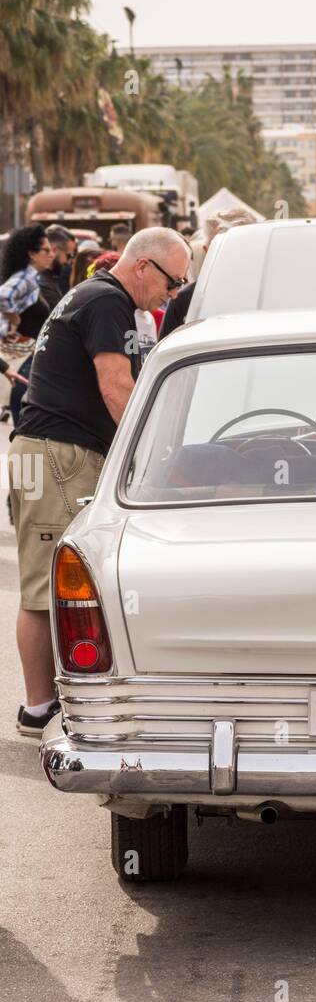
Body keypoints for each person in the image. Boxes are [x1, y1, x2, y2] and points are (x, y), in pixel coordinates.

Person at [8, 226, 190, 736]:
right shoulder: (107, 302)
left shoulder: (94, 297)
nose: (170, 295)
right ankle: (41, 706)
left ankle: (44, 701)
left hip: (49, 452)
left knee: (52, 582)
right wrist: (150, 453)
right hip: (55, 454)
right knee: (51, 586)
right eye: (171, 283)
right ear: (142, 266)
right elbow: (116, 389)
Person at [159, 206, 259, 337]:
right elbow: (166, 354)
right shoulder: (184, 301)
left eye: (240, 249)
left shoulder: (272, 296)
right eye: (221, 249)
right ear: (206, 250)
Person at [0, 225, 53, 340]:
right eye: (46, 250)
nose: (51, 255)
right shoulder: (25, 276)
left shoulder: (31, 277)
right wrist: (15, 319)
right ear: (32, 254)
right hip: (19, 353)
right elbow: (3, 296)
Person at [39, 226, 76, 310]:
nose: (69, 262)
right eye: (68, 255)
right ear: (54, 250)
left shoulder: (49, 277)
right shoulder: (41, 281)